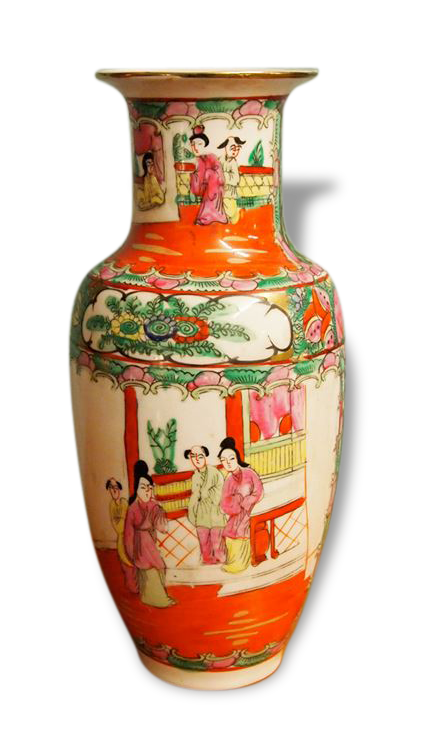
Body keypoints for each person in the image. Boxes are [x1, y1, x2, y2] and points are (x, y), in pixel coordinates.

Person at [124, 461, 175, 607]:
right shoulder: (133, 509)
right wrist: (131, 553)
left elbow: (163, 528)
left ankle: (157, 595)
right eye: (143, 487)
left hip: (150, 543)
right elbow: (128, 534)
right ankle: (154, 598)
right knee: (147, 567)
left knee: (160, 566)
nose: (147, 491)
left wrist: (159, 511)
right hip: (139, 545)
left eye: (149, 488)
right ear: (137, 489)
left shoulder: (153, 505)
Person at [219, 437, 264, 573]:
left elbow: (259, 492)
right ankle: (233, 562)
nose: (228, 463)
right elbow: (224, 504)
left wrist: (248, 500)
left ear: (237, 458)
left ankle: (240, 564)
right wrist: (236, 501)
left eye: (231, 458)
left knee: (242, 530)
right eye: (224, 460)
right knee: (230, 531)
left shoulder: (249, 473)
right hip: (236, 514)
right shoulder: (228, 480)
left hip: (251, 510)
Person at [185, 445, 226, 565]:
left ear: (205, 457)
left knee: (217, 543)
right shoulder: (195, 476)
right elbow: (194, 497)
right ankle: (208, 561)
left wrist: (205, 493)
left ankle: (221, 562)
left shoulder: (215, 473)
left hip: (215, 514)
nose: (197, 459)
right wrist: (193, 513)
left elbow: (220, 492)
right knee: (204, 544)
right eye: (193, 456)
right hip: (201, 515)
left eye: (200, 456)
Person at [189, 124, 227, 225]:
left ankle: (213, 217)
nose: (195, 147)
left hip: (215, 187)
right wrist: (195, 177)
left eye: (199, 144)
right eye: (192, 144)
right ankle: (206, 217)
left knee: (212, 188)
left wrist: (209, 175)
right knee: (206, 193)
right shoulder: (198, 161)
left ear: (205, 145)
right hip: (205, 188)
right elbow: (198, 180)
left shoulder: (211, 157)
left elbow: (219, 173)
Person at [105, 478, 138, 593]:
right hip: (121, 538)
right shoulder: (111, 505)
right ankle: (132, 586)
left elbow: (128, 521)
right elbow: (118, 527)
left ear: (119, 489)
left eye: (116, 488)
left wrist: (122, 520)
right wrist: (122, 520)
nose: (114, 491)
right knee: (125, 562)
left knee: (133, 559)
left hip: (129, 536)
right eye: (111, 488)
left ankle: (137, 585)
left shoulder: (124, 502)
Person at [217, 136, 246, 224]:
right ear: (226, 148)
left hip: (230, 192)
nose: (235, 151)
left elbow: (236, 179)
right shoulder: (220, 160)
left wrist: (223, 175)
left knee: (231, 210)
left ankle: (233, 218)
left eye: (237, 149)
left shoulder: (233, 163)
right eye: (233, 148)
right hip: (220, 191)